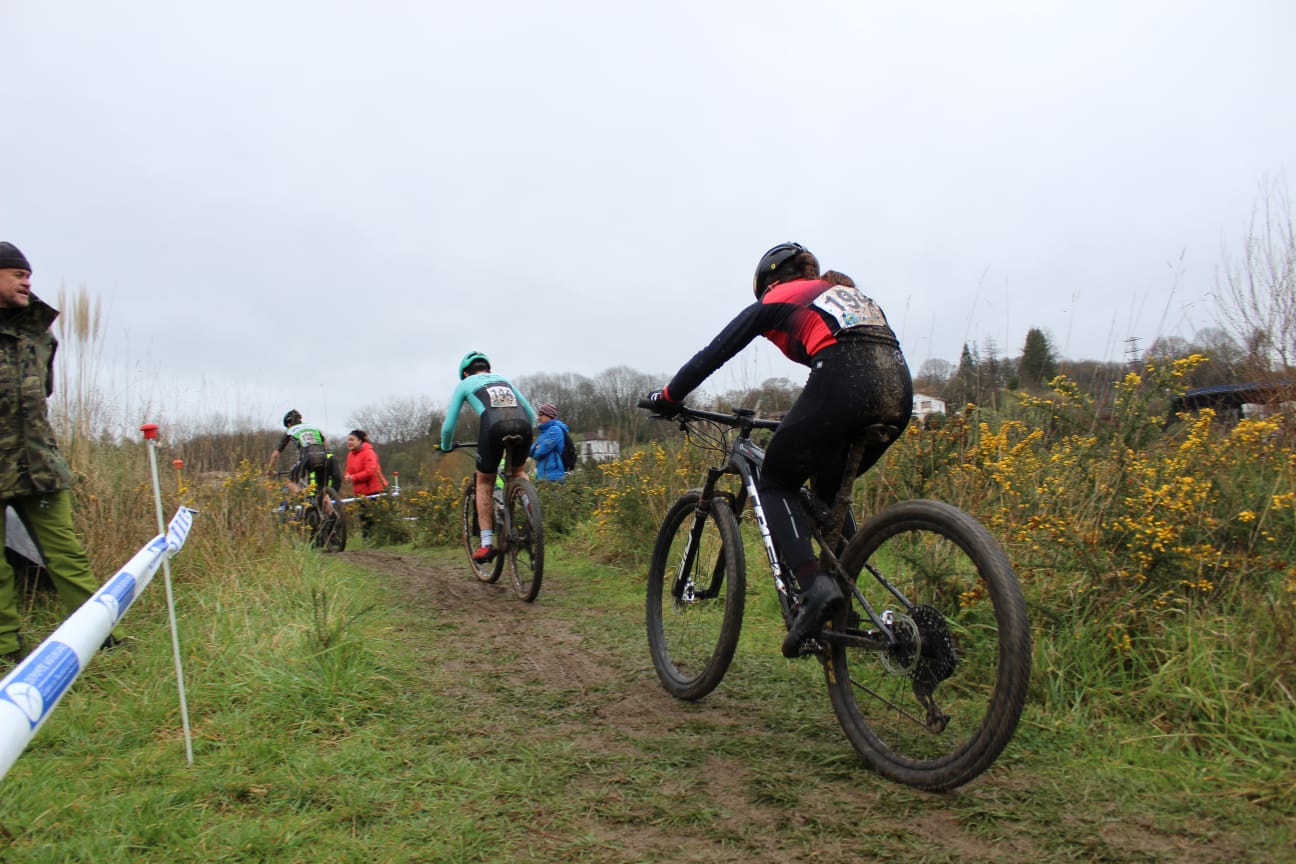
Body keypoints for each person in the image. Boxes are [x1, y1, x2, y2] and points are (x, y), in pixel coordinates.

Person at [646, 242, 912, 658]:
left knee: (776, 480)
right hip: (897, 387)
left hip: (844, 378)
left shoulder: (776, 299)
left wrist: (667, 397)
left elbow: (712, 355)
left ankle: (814, 587)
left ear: (769, 280)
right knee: (826, 498)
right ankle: (847, 612)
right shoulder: (838, 293)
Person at [0, 241, 121, 665]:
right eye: (17, 274)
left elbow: (44, 393)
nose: (27, 280)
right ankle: (6, 649)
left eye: (28, 274)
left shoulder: (40, 331)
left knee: (66, 553)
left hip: (39, 466)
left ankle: (99, 636)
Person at [440, 351, 537, 562]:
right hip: (523, 424)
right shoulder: (503, 380)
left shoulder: (465, 384)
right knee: (518, 472)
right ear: (488, 370)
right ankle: (532, 509)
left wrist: (446, 446)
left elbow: (448, 427)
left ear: (466, 373)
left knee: (485, 481)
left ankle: (485, 544)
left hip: (493, 427)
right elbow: (530, 413)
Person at [267, 410, 335, 512]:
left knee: (290, 481)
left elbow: (275, 454)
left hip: (308, 457)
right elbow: (325, 442)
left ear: (289, 424)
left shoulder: (290, 430)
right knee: (323, 492)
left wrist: (270, 471)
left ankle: (306, 499)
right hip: (324, 457)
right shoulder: (312, 426)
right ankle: (333, 518)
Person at [344, 429, 387, 538]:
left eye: (352, 440)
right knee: (363, 519)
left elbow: (370, 472)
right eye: (348, 440)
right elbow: (349, 470)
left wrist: (353, 477)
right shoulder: (350, 455)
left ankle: (380, 539)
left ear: (360, 441)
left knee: (374, 519)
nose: (349, 442)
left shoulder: (369, 453)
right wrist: (347, 476)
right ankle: (367, 542)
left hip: (375, 490)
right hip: (360, 493)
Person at [529, 403, 570, 482]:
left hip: (553, 476)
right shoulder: (543, 432)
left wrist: (538, 448)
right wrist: (537, 447)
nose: (538, 418)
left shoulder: (555, 430)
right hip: (542, 476)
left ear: (548, 415)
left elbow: (539, 452)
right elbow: (530, 451)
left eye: (541, 415)